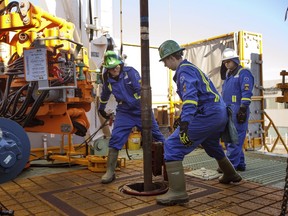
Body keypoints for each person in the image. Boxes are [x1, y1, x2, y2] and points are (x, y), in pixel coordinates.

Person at [156, 40, 242, 206]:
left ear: (172, 57)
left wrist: (185, 123)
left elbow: (191, 99)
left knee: (172, 145)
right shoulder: (191, 68)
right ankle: (230, 174)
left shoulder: (183, 71)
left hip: (208, 114)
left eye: (165, 61)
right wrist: (183, 118)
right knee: (211, 145)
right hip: (218, 113)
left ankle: (178, 192)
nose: (165, 65)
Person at [98, 50, 165, 184]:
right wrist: (101, 108)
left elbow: (141, 90)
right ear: (108, 69)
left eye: (117, 65)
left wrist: (144, 108)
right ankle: (110, 172)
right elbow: (105, 94)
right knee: (116, 138)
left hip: (141, 108)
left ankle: (171, 164)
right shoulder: (107, 79)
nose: (115, 69)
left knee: (157, 135)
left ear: (120, 63)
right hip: (124, 112)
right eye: (112, 68)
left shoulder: (130, 72)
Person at [220, 48, 254, 172]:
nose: (226, 64)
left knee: (234, 139)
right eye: (224, 62)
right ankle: (240, 164)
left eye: (228, 61)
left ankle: (230, 168)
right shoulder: (229, 75)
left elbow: (246, 92)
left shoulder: (243, 73)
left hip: (238, 110)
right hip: (229, 110)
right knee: (232, 138)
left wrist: (243, 108)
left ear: (235, 60)